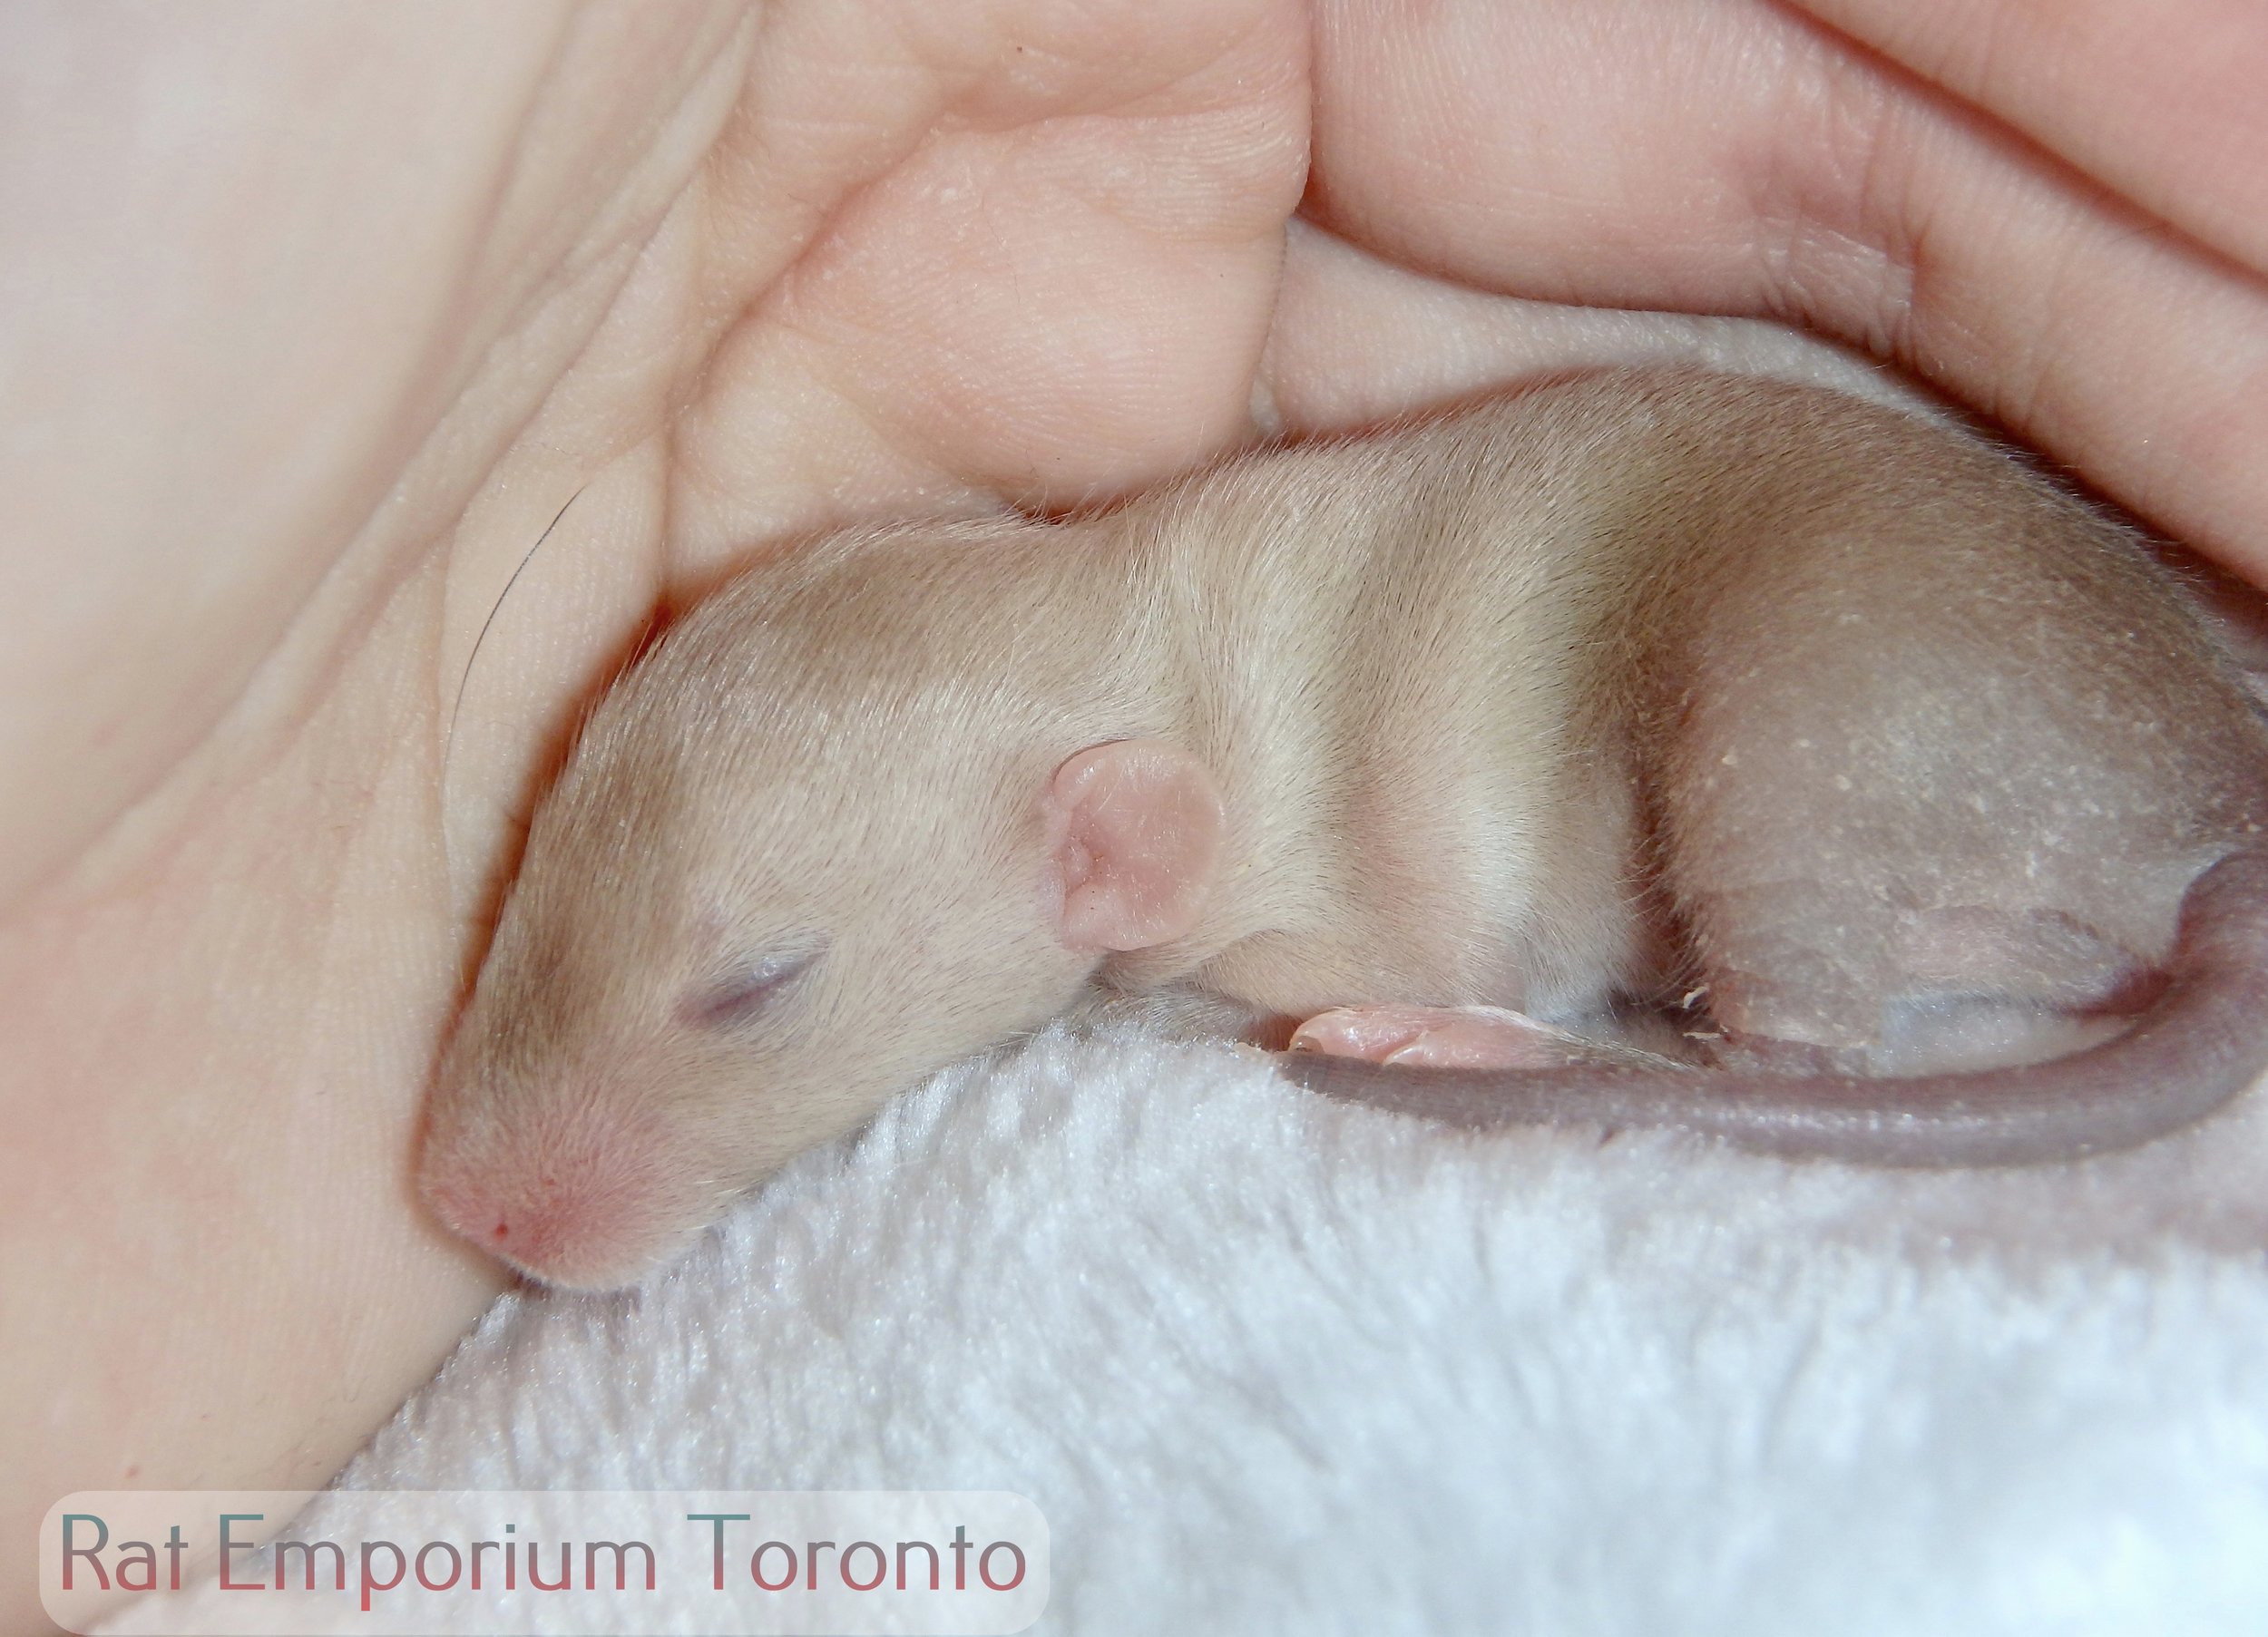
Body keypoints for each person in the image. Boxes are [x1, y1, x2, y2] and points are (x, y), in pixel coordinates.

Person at [5, 4, 2263, 1629]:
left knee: (1768, 640)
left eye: (749, 991)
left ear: (1119, 851)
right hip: (2004, 721)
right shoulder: (1097, 732)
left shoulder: (1242, 767)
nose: (495, 1165)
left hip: (1978, 712)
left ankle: (1789, 1033)